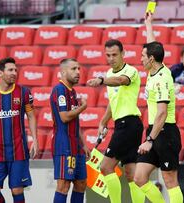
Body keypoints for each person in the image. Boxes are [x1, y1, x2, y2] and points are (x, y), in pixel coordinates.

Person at [87, 39, 145, 203]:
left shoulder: (131, 71)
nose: (111, 58)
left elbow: (121, 81)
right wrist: (104, 121)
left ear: (123, 54)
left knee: (105, 167)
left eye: (115, 55)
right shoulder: (109, 74)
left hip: (129, 124)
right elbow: (114, 102)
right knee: (130, 173)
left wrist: (101, 80)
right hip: (125, 125)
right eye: (108, 55)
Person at [133, 12, 183, 203]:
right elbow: (152, 45)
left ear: (151, 59)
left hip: (165, 132)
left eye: (143, 56)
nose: (141, 59)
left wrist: (149, 140)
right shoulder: (155, 69)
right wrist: (148, 24)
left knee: (170, 180)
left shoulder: (161, 79)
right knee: (139, 178)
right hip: (154, 131)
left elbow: (162, 113)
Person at [0, 57, 39, 203]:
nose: (14, 73)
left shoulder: (24, 93)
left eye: (15, 70)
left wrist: (35, 140)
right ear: (0, 73)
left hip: (18, 150)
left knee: (17, 189)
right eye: (10, 70)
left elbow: (31, 116)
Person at [50, 58, 90, 203]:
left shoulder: (72, 92)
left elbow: (75, 122)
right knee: (63, 185)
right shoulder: (59, 90)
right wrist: (82, 108)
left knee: (81, 184)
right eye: (73, 69)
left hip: (76, 146)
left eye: (78, 68)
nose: (78, 72)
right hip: (63, 146)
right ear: (63, 72)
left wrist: (83, 144)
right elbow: (65, 117)